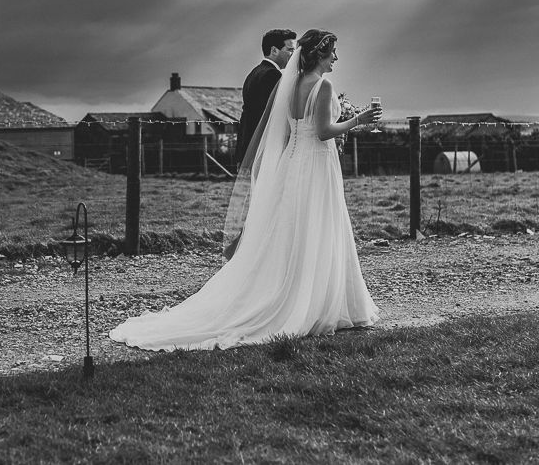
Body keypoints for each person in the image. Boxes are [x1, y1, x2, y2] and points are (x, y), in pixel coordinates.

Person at [109, 29, 383, 351]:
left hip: (293, 163)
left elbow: (290, 129)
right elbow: (323, 132)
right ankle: (317, 303)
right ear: (320, 54)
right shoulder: (323, 86)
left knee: (293, 231)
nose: (336, 57)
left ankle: (300, 293)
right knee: (319, 228)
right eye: (333, 51)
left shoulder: (291, 83)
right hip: (316, 164)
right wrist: (358, 120)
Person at [235, 29, 297, 165]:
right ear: (274, 50)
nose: (294, 55)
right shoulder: (272, 75)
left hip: (248, 144)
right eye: (290, 50)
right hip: (263, 146)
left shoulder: (254, 72)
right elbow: (275, 115)